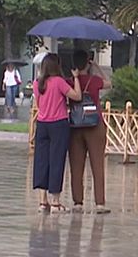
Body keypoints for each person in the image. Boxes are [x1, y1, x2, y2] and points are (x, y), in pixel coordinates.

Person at [32, 53, 81, 214]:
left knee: (41, 161)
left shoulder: (37, 84)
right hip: (58, 124)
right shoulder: (59, 82)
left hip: (42, 124)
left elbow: (38, 103)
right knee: (56, 161)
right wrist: (76, 78)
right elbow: (77, 96)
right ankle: (55, 202)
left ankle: (42, 201)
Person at [68, 50, 112, 214]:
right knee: (97, 164)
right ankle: (99, 203)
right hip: (95, 125)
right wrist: (97, 67)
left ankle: (77, 202)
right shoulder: (94, 81)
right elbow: (109, 83)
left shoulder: (70, 81)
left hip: (75, 127)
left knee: (76, 166)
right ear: (88, 63)